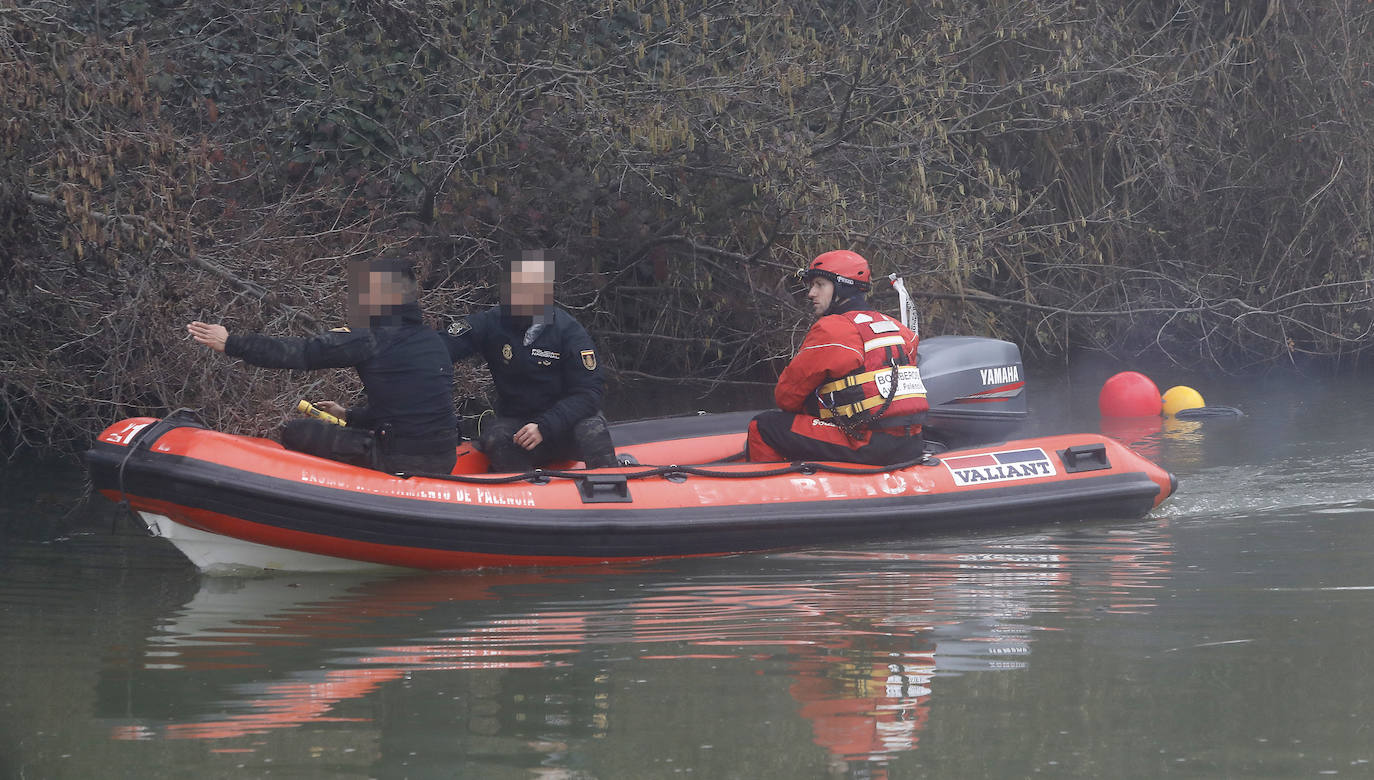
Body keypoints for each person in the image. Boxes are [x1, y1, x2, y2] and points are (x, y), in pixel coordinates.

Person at [186, 257, 459, 475]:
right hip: (443, 459)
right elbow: (406, 407)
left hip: (399, 458)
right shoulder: (433, 340)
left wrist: (231, 343)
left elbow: (301, 353)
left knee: (297, 431)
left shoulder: (371, 337)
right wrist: (349, 415)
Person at [746, 250, 929, 465]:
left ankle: (773, 488)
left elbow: (786, 398)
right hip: (911, 444)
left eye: (820, 284)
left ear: (842, 287)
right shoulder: (897, 328)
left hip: (867, 445)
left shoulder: (833, 330)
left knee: (763, 426)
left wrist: (816, 409)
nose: (811, 293)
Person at [440, 250, 617, 471]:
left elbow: (589, 393)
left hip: (563, 425)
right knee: (496, 437)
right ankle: (521, 496)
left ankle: (610, 488)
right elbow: (444, 345)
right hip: (519, 424)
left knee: (592, 429)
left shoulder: (568, 331)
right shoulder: (493, 323)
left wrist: (545, 427)